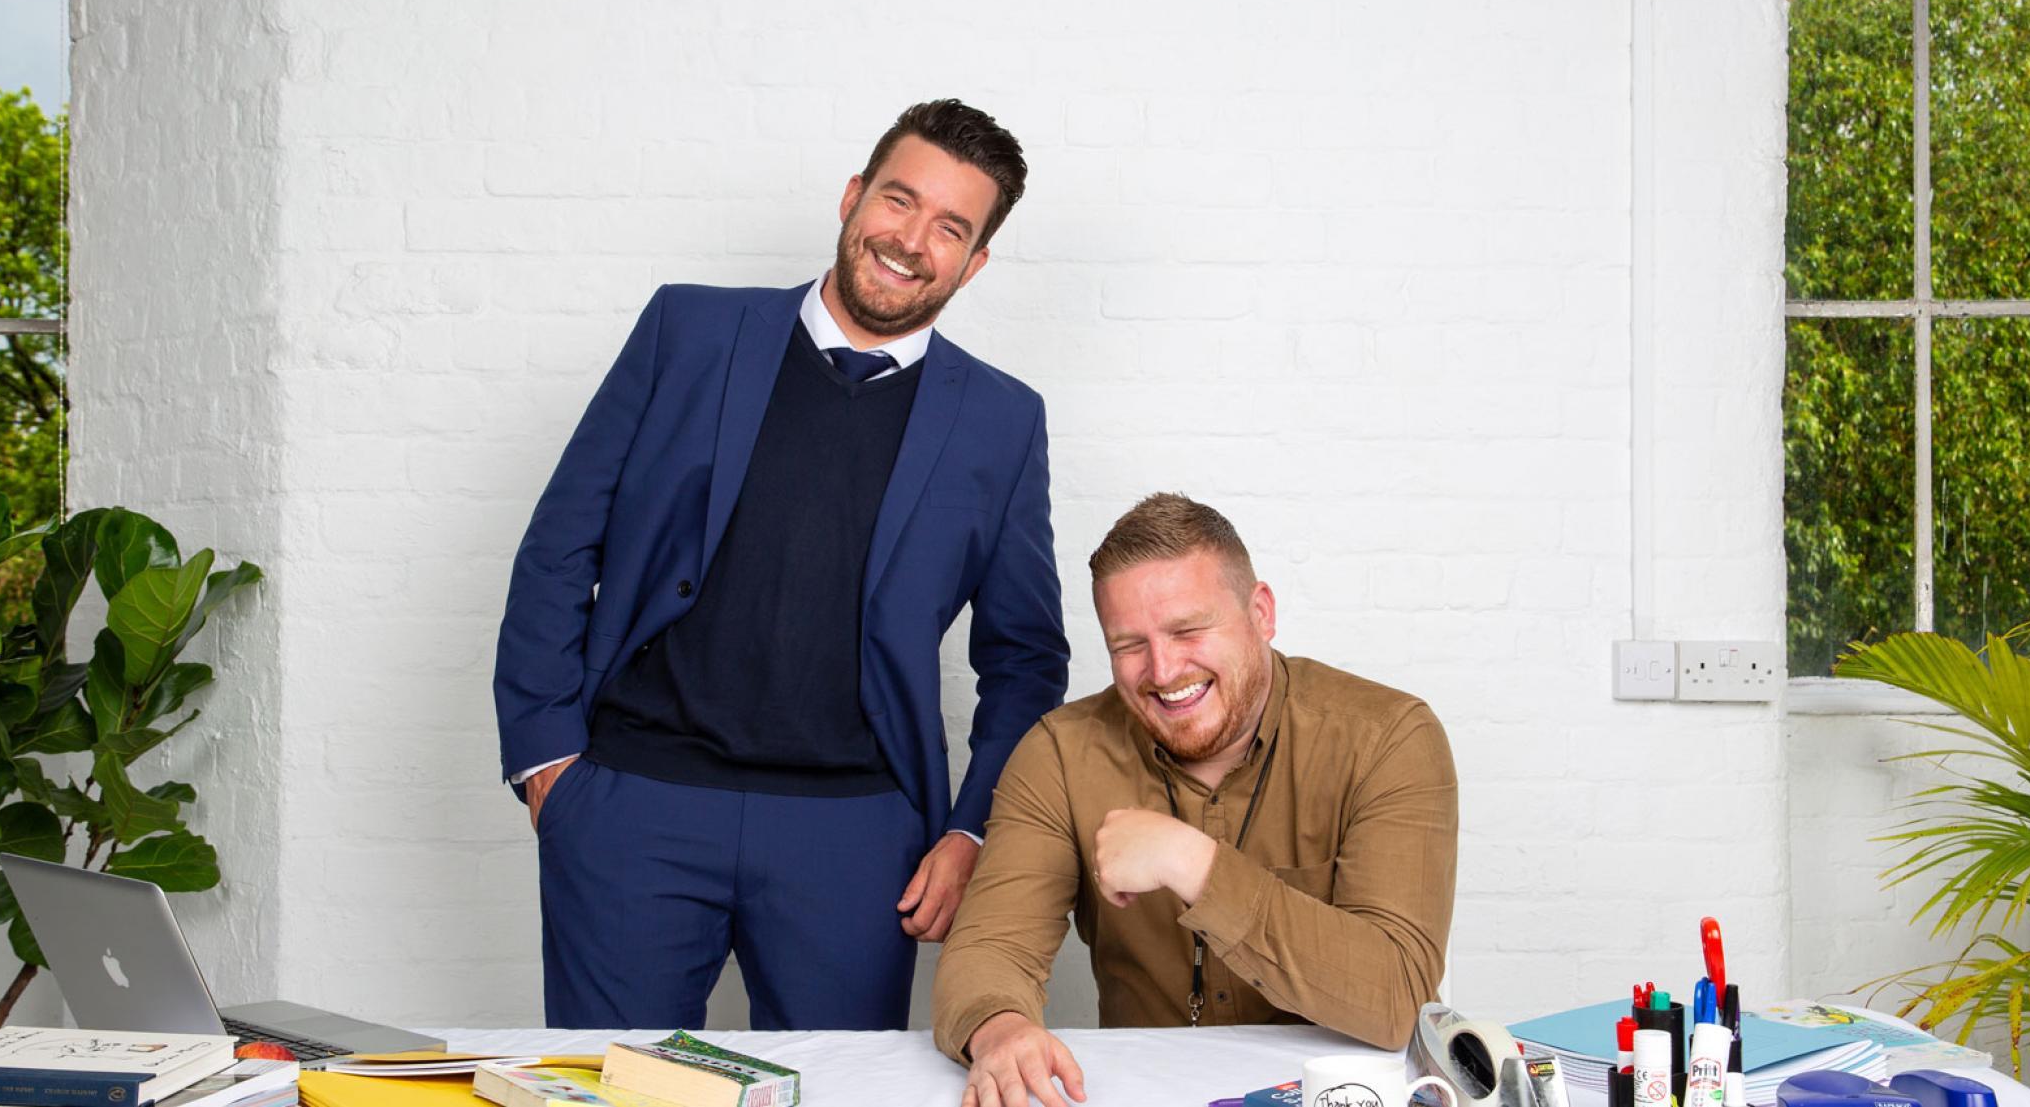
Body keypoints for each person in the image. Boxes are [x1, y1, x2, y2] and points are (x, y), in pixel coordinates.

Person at [491, 99, 1069, 1030]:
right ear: (853, 196)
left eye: (950, 227)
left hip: (856, 838)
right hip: (636, 803)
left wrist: (971, 829)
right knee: (609, 1096)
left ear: (975, 260)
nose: (912, 239)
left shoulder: (1003, 421)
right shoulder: (689, 332)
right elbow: (562, 541)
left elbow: (1027, 659)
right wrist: (546, 756)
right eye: (898, 199)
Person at [932, 493, 1457, 1107]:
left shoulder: (1389, 736)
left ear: (1260, 612)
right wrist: (1002, 1030)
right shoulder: (1059, 753)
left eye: (1187, 629)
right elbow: (990, 948)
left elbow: (1397, 997)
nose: (1161, 669)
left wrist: (1193, 864)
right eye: (1128, 644)